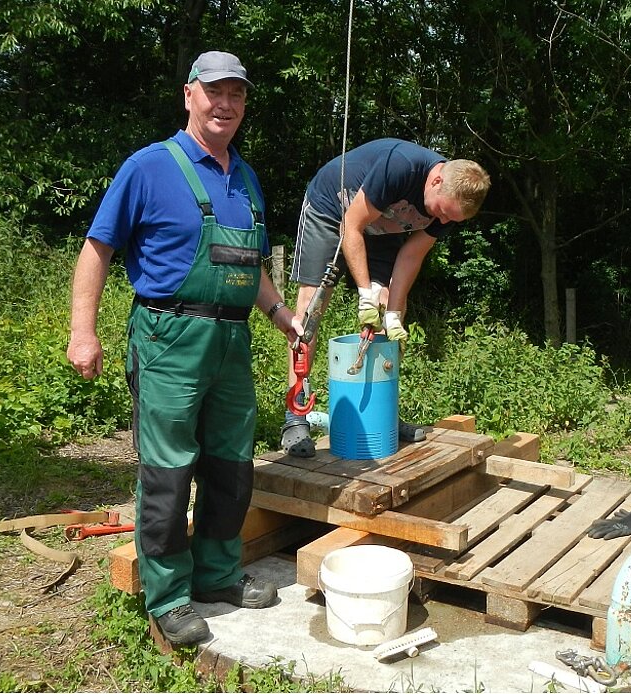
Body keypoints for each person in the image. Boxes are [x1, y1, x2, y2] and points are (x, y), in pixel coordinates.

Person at [67, 50, 302, 646]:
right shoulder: (149, 168)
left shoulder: (245, 177)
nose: (226, 104)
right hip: (168, 337)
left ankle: (218, 574)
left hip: (231, 341)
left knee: (231, 466)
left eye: (237, 94)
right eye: (214, 91)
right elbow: (97, 249)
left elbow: (248, 263)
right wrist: (83, 331)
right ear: (189, 94)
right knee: (168, 471)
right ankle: (169, 597)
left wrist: (280, 314)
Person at [280, 138, 490, 457]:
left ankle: (382, 414)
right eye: (442, 213)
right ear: (436, 181)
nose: (444, 222)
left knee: (388, 310)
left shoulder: (450, 206)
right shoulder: (400, 167)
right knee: (310, 310)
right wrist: (364, 292)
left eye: (452, 220)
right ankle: (295, 417)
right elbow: (351, 225)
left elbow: (411, 256)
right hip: (333, 208)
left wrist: (391, 312)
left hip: (382, 227)